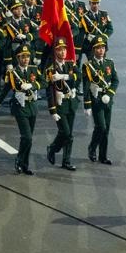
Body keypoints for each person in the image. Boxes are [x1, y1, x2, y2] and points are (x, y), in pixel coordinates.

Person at [44, 37, 80, 171]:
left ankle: (66, 161)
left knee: (69, 134)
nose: (63, 52)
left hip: (71, 102)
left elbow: (78, 77)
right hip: (60, 104)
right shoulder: (51, 70)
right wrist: (52, 109)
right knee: (65, 131)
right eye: (59, 50)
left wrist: (64, 76)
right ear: (55, 52)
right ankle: (52, 148)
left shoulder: (70, 64)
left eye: (64, 49)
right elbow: (49, 91)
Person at [6, 44, 41, 175]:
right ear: (18, 58)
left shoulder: (34, 69)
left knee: (28, 137)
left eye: (27, 56)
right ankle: (19, 159)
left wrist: (32, 85)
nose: (26, 59)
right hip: (20, 107)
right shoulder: (13, 73)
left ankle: (25, 165)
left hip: (32, 107)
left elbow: (44, 82)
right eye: (23, 57)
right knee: (27, 137)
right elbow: (5, 90)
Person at [83, 37, 117, 164]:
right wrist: (87, 105)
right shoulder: (88, 66)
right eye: (98, 48)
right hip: (96, 100)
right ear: (93, 50)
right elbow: (86, 86)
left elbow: (115, 80)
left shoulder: (110, 63)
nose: (101, 50)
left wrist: (109, 94)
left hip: (108, 101)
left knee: (106, 128)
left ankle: (103, 156)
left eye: (102, 47)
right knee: (101, 127)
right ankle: (92, 147)